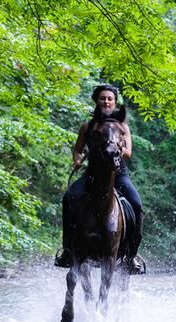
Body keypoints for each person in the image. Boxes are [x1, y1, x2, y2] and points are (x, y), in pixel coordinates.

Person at [54, 84, 146, 274]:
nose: (106, 101)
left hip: (118, 175)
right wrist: (77, 160)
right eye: (103, 98)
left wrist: (116, 149)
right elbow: (77, 150)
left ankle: (131, 256)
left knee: (136, 205)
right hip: (92, 176)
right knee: (68, 197)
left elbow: (128, 152)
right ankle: (68, 250)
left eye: (110, 98)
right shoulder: (88, 126)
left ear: (114, 102)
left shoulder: (122, 126)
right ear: (97, 101)